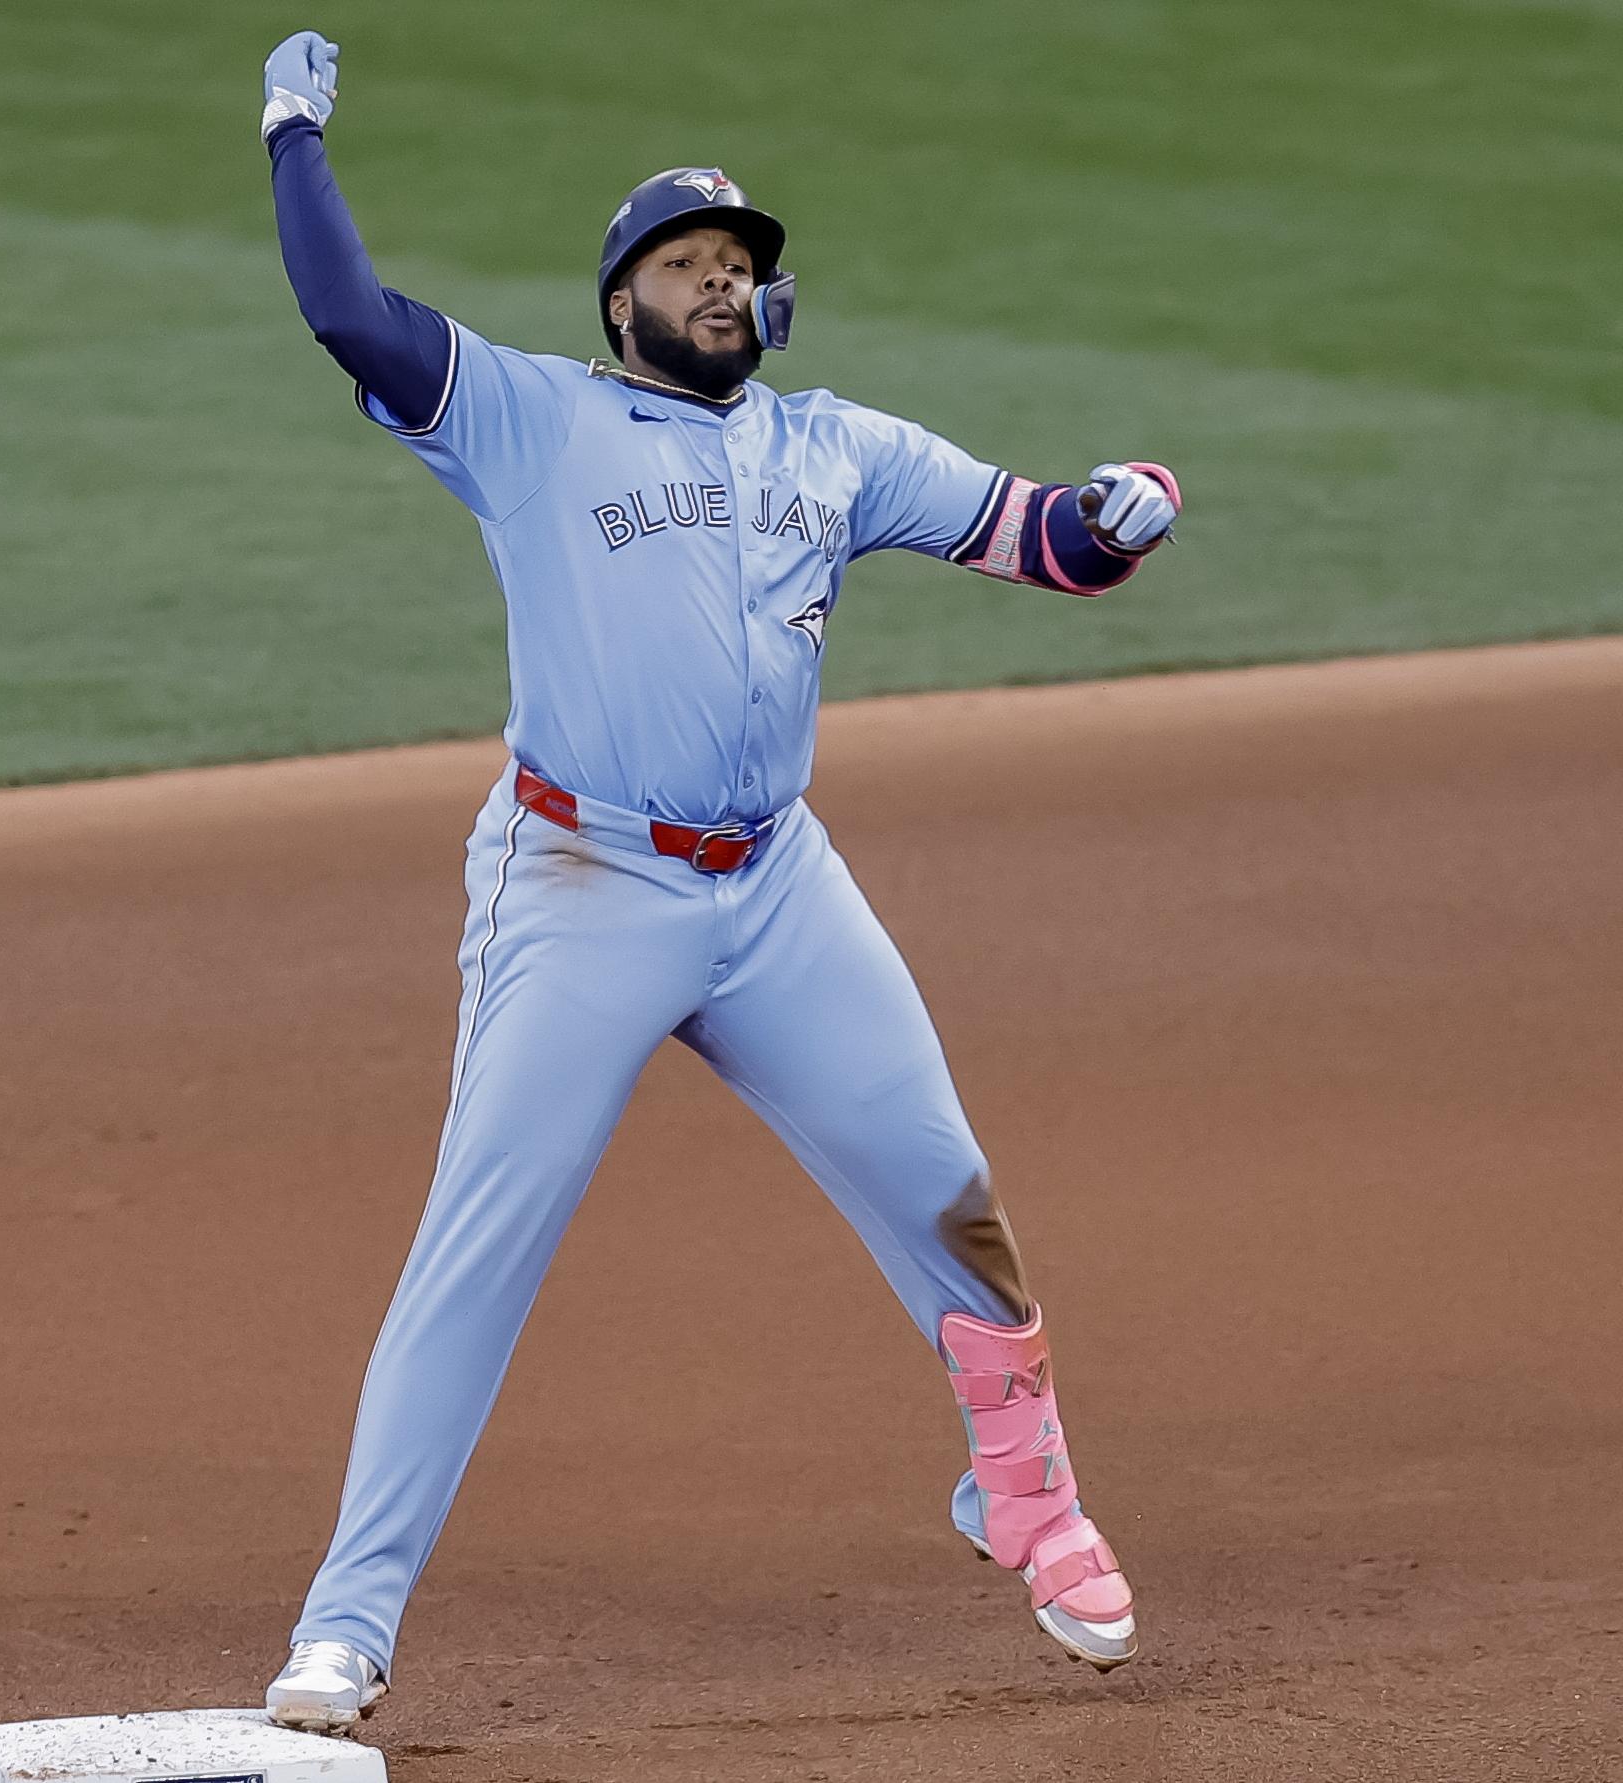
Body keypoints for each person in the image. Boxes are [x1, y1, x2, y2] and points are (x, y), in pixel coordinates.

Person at [250, 34, 1185, 1733]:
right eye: (684, 267)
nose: (717, 287)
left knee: (946, 1186)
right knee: (484, 1242)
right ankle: (349, 1622)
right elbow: (351, 318)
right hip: (583, 880)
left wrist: (1116, 519)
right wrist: (292, 138)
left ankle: (1028, 1502)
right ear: (622, 303)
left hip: (776, 891)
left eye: (740, 268)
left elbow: (1039, 538)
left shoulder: (834, 447)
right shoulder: (530, 417)